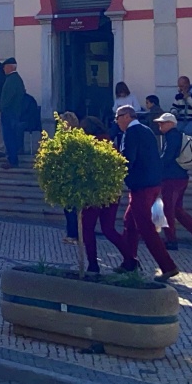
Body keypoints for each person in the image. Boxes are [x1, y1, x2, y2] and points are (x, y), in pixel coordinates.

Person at [114, 104, 179, 281]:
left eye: (117, 118)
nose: (116, 122)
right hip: (152, 183)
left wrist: (116, 171)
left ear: (126, 116)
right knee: (129, 222)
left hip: (141, 186)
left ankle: (168, 266)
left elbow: (128, 159)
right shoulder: (146, 130)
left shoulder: (131, 132)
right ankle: (129, 262)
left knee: (145, 227)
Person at [79, 117, 132, 273]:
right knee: (109, 229)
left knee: (87, 229)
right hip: (112, 192)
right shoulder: (110, 144)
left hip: (94, 193)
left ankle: (93, 265)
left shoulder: (90, 146)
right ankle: (130, 259)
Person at [154, 112, 192, 251]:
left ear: (171, 124)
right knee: (176, 209)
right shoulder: (179, 136)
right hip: (181, 176)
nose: (160, 125)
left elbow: (167, 157)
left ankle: (171, 240)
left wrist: (155, 168)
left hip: (171, 178)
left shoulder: (172, 137)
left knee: (168, 209)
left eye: (162, 123)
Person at [0, 58, 27, 170]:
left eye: (5, 67)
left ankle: (12, 160)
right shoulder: (15, 79)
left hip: (10, 112)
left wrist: (3, 107)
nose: (4, 69)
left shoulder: (12, 79)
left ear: (10, 67)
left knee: (9, 137)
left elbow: (8, 97)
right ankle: (12, 159)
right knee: (11, 136)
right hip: (13, 112)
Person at [59, 112, 81, 244]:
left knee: (71, 208)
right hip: (66, 176)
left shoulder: (73, 138)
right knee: (68, 208)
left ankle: (73, 235)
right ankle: (71, 233)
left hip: (72, 177)